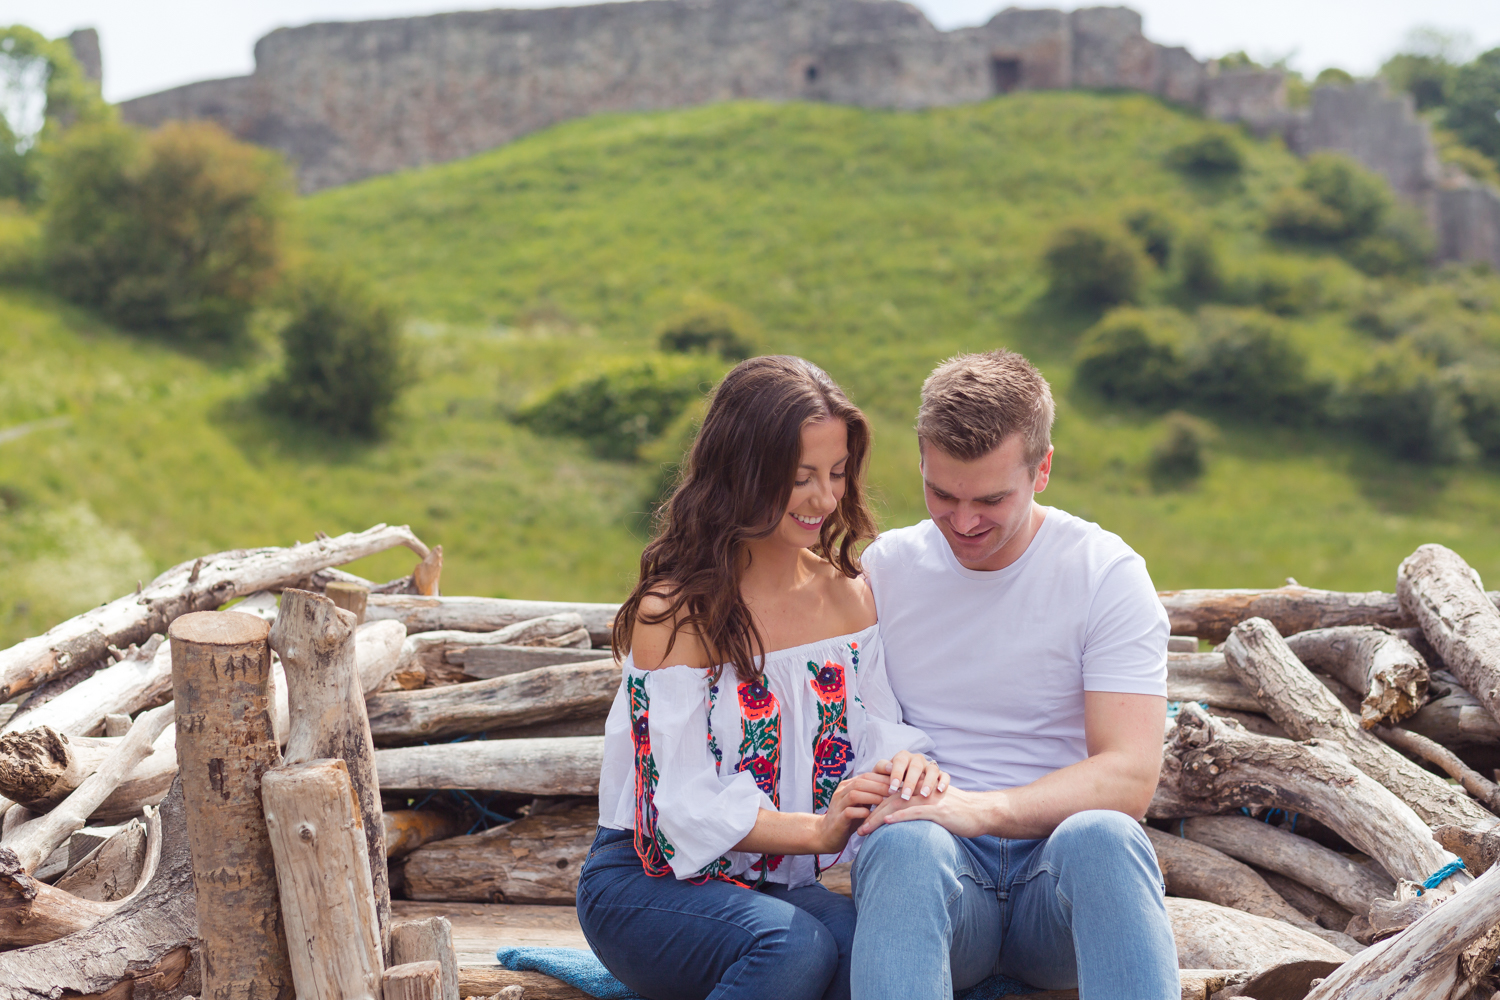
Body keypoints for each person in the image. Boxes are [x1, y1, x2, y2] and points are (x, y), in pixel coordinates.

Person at [578, 355, 943, 1000]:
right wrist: (816, 830)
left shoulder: (849, 600)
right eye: (800, 477)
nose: (825, 499)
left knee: (876, 946)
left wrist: (907, 772)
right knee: (791, 946)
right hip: (645, 880)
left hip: (776, 883)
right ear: (742, 473)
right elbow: (678, 804)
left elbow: (875, 738)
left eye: (836, 474)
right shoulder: (676, 613)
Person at [849, 350, 1179, 1000]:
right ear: (920, 459)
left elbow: (1131, 776)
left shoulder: (1105, 574)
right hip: (937, 884)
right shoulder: (885, 571)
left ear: (1043, 468)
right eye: (942, 494)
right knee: (906, 843)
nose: (965, 522)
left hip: (1052, 886)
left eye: (992, 499)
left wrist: (982, 809)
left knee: (1108, 834)